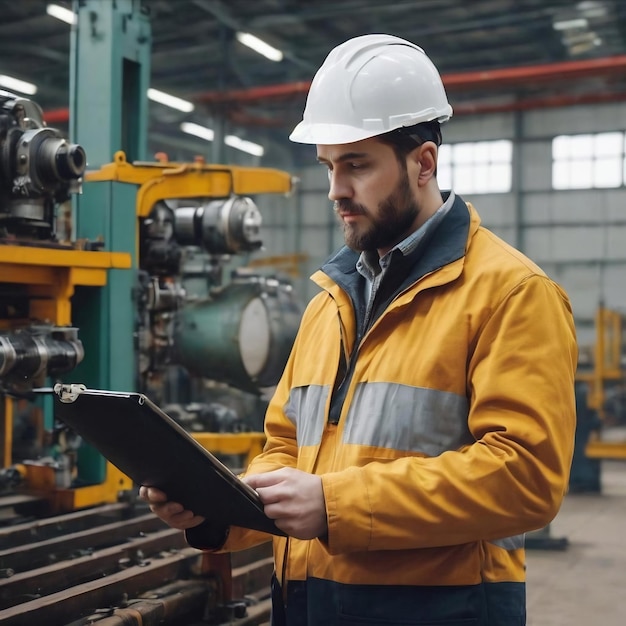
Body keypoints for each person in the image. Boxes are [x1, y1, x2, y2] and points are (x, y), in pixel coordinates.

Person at [140, 34, 577, 625]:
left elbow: (526, 477)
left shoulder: (512, 294)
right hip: (309, 605)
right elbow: (286, 449)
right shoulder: (331, 298)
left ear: (424, 163)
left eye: (356, 165)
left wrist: (336, 504)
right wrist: (219, 510)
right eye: (328, 166)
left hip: (440, 610)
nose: (335, 191)